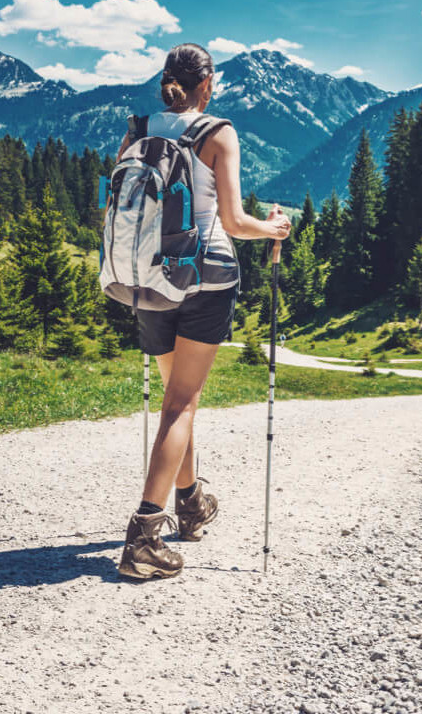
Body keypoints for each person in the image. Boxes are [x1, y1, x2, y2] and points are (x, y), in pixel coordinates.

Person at [116, 43, 291, 580]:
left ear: (166, 81)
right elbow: (233, 222)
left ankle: (190, 503)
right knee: (181, 404)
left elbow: (118, 202)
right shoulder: (218, 132)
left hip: (147, 276)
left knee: (176, 400)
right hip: (205, 277)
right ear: (207, 85)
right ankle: (144, 538)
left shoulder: (138, 127)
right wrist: (274, 228)